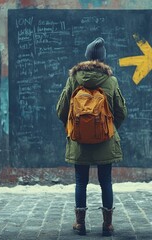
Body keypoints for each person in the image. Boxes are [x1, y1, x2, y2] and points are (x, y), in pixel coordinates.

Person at [56, 37, 127, 236]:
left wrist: (73, 127)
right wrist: (109, 128)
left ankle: (80, 224)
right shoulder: (111, 81)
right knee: (106, 182)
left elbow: (60, 110)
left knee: (81, 181)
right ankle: (108, 225)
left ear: (86, 57)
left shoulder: (73, 79)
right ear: (103, 59)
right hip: (105, 139)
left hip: (79, 141)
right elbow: (122, 112)